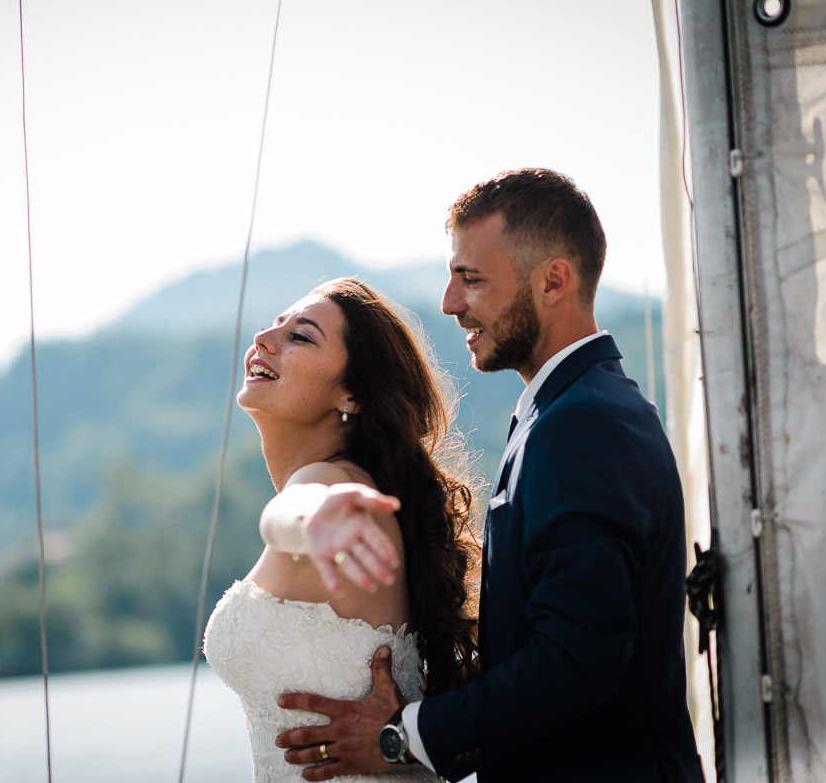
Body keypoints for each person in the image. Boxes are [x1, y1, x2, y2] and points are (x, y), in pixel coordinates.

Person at [271, 169, 705, 782]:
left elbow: (579, 660)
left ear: (553, 280)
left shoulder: (581, 423)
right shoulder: (576, 409)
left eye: (470, 279)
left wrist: (403, 736)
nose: (450, 303)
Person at [202, 277, 481, 783]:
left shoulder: (333, 485)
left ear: (350, 394)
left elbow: (293, 512)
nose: (264, 338)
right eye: (276, 323)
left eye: (300, 336)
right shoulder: (348, 485)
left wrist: (310, 519)